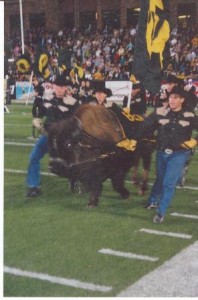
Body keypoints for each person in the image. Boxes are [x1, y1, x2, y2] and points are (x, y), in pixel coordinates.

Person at [136, 86, 198, 223]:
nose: (172, 100)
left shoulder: (189, 115)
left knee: (168, 183)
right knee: (160, 178)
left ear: (182, 99)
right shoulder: (159, 112)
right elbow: (144, 127)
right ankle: (153, 200)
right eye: (170, 97)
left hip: (179, 154)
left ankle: (160, 212)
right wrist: (133, 139)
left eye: (176, 97)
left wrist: (195, 141)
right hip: (161, 153)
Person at [26, 74, 79, 197]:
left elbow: (76, 122)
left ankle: (73, 177)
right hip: (47, 136)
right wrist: (37, 119)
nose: (60, 89)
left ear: (66, 88)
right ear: (54, 86)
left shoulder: (73, 103)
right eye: (58, 86)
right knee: (34, 157)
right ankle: (33, 186)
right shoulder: (47, 99)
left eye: (63, 86)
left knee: (70, 163)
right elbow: (40, 111)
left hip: (64, 139)